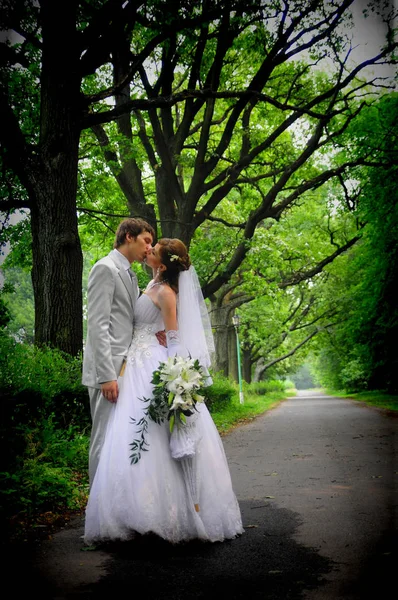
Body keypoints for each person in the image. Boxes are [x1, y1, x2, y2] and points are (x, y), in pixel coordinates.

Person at [84, 238, 244, 544]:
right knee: (130, 437)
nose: (149, 250)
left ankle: (169, 514)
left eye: (153, 249)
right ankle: (131, 513)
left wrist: (178, 382)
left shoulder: (168, 293)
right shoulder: (149, 284)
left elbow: (173, 338)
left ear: (163, 262)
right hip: (134, 365)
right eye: (149, 244)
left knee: (152, 437)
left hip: (152, 369)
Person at [82, 217, 157, 487]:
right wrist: (106, 376)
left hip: (129, 368)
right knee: (103, 438)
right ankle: (97, 511)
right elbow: (97, 325)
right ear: (128, 236)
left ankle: (114, 504)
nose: (149, 248)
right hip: (108, 371)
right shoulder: (105, 268)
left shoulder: (130, 273)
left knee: (120, 440)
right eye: (146, 241)